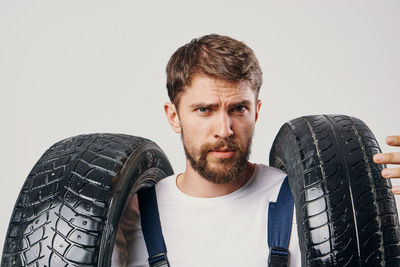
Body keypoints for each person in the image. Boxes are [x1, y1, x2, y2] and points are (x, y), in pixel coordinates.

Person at [112, 34, 400, 267]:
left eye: (238, 108)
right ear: (173, 116)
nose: (224, 129)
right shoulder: (128, 216)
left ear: (256, 111)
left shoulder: (311, 202)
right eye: (204, 110)